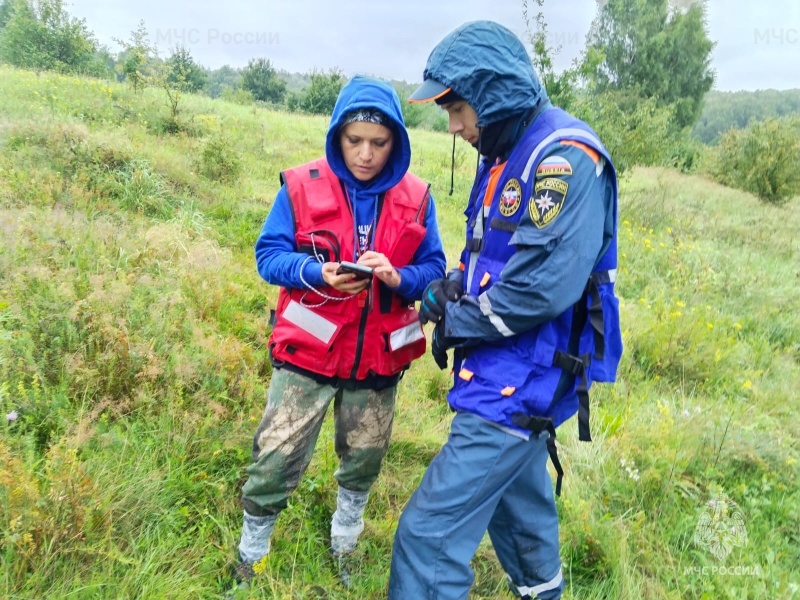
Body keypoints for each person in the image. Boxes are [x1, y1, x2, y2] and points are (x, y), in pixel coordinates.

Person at [388, 21, 623, 600]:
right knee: (517, 506)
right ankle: (542, 590)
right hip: (502, 363)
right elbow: (488, 252)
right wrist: (448, 287)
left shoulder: (563, 159)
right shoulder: (499, 151)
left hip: (523, 376)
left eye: (460, 109)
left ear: (495, 95)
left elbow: (536, 291)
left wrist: (453, 319)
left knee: (427, 537)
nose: (455, 126)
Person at [234, 75, 446, 587]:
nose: (366, 154)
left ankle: (344, 543)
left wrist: (399, 277)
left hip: (376, 360)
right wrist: (314, 272)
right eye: (354, 141)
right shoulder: (301, 186)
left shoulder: (417, 198)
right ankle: (251, 556)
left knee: (364, 460)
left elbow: (435, 269)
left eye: (379, 143)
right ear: (337, 135)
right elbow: (268, 255)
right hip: (308, 354)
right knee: (275, 456)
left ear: (397, 139)